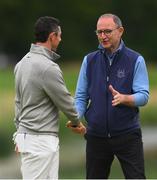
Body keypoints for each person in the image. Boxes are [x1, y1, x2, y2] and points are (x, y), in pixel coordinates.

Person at [67, 13, 149, 179]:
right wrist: (76, 117)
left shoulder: (135, 60)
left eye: (107, 31)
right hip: (96, 136)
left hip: (127, 135)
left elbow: (143, 96)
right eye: (99, 32)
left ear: (120, 31)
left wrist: (125, 98)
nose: (102, 36)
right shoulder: (89, 60)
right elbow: (81, 97)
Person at [13, 16, 85, 179]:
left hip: (32, 139)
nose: (60, 40)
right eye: (59, 36)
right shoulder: (48, 67)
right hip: (41, 142)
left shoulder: (21, 63)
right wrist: (76, 122)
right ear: (52, 36)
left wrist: (18, 133)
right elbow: (65, 101)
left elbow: (18, 103)